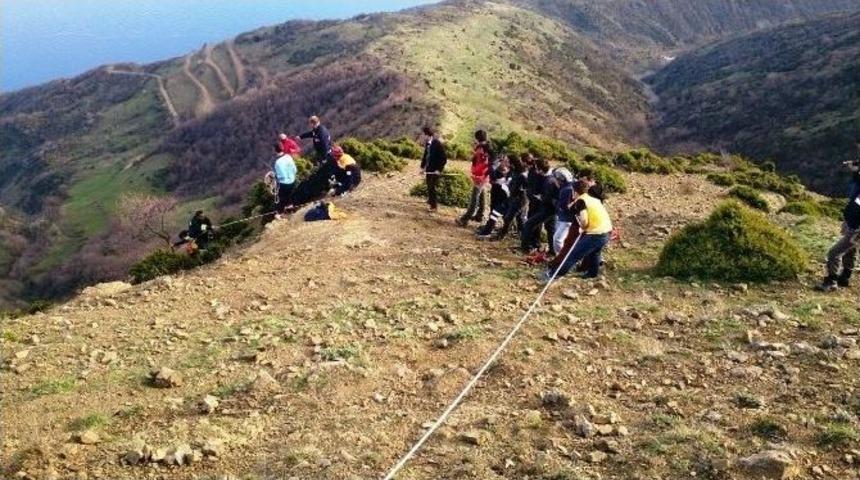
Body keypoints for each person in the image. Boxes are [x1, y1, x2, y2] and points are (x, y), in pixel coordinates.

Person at [541, 181, 613, 282]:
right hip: (607, 231)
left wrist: (583, 227)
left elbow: (584, 220)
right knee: (594, 253)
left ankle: (552, 275)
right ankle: (592, 274)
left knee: (573, 255)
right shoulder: (592, 199)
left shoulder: (581, 201)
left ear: (575, 192)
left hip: (596, 233)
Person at [817, 191, 860, 291]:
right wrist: (847, 221)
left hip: (856, 229)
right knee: (850, 250)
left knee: (834, 253)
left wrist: (858, 234)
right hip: (852, 224)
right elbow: (855, 204)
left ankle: (832, 281)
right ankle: (845, 277)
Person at [520, 159, 556, 258]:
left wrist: (541, 197)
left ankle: (526, 248)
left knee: (532, 224)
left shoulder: (550, 180)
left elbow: (549, 196)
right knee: (549, 228)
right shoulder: (549, 176)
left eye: (536, 168)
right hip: (544, 206)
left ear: (540, 169)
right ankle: (547, 249)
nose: (534, 169)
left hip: (547, 208)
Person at [457, 130, 492, 227]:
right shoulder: (483, 147)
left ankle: (465, 219)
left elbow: (486, 164)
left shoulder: (484, 149)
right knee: (481, 194)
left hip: (480, 177)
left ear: (477, 138)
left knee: (474, 198)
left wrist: (480, 175)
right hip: (480, 176)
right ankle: (479, 215)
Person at [492, 154, 529, 240]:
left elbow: (526, 186)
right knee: (519, 218)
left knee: (509, 217)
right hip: (513, 197)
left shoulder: (521, 174)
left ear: (512, 163)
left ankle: (501, 236)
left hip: (520, 199)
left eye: (507, 161)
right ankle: (522, 236)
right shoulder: (513, 171)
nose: (506, 162)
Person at [477, 158, 511, 239]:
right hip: (496, 192)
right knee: (493, 211)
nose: (504, 163)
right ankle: (490, 229)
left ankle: (489, 231)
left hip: (505, 195)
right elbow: (493, 177)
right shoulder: (496, 168)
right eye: (503, 161)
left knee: (501, 214)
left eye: (506, 161)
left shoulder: (512, 173)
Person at [420, 126, 448, 212]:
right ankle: (430, 200)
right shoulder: (428, 143)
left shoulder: (437, 144)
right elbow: (426, 156)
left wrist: (439, 170)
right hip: (429, 169)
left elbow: (444, 158)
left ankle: (434, 206)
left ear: (427, 135)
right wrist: (423, 167)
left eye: (423, 134)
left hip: (435, 170)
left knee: (432, 186)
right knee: (429, 185)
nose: (422, 136)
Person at [551, 168, 575, 254]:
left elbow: (563, 206)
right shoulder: (568, 187)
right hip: (563, 218)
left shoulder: (566, 190)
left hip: (566, 219)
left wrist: (555, 202)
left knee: (557, 239)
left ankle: (562, 258)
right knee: (561, 239)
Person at [272, 142, 297, 216]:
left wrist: (275, 176)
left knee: (281, 198)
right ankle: (291, 210)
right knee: (289, 196)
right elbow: (294, 169)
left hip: (284, 183)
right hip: (293, 180)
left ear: (275, 150)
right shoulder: (288, 157)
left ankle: (280, 213)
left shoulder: (278, 162)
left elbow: (281, 176)